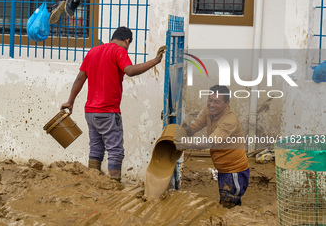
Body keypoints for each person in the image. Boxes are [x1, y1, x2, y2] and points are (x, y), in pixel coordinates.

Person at [61, 27, 165, 182]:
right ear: (127, 41)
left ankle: (92, 182)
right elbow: (129, 70)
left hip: (90, 112)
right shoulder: (119, 51)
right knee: (115, 150)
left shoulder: (92, 52)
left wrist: (70, 101)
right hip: (108, 112)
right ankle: (114, 184)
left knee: (96, 148)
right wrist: (155, 61)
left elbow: (79, 78)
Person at [182, 85, 249, 208]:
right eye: (210, 100)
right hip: (223, 169)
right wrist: (183, 129)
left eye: (217, 102)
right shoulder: (209, 111)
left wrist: (181, 144)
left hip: (235, 171)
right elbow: (194, 127)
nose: (211, 104)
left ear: (226, 103)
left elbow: (208, 142)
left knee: (229, 203)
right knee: (225, 201)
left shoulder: (229, 120)